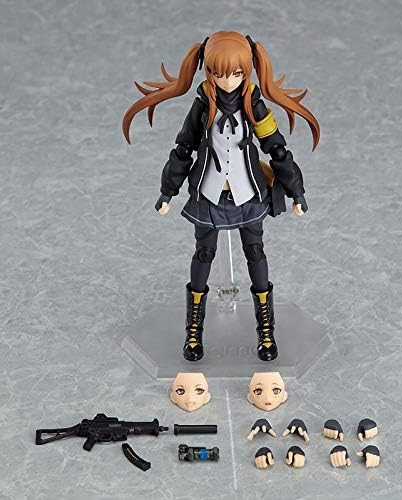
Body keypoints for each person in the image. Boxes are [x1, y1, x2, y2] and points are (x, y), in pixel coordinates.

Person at [123, 31, 320, 362]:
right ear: (207, 70)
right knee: (204, 255)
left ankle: (266, 331)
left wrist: (296, 190)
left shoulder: (253, 105)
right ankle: (194, 332)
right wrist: (168, 190)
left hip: (248, 195)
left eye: (236, 73)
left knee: (255, 253)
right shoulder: (202, 106)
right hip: (209, 195)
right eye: (217, 72)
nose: (227, 80)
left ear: (247, 71)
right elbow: (183, 148)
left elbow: (276, 148)